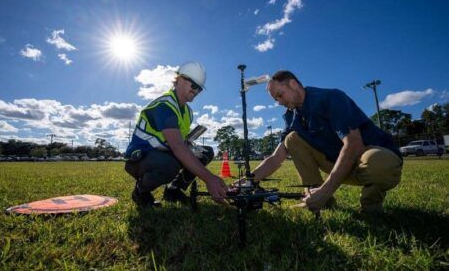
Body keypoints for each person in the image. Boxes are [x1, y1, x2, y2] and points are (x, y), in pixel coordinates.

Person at [250, 70, 403, 214]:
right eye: (276, 99)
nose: (279, 102)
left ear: (293, 84)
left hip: (368, 160)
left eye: (280, 95)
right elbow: (276, 158)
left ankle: (371, 208)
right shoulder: (292, 116)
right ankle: (318, 200)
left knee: (379, 162)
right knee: (292, 139)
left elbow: (354, 144)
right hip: (337, 163)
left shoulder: (331, 98)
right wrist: (246, 182)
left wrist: (326, 190)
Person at [124, 61, 228, 207]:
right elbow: (178, 147)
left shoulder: (187, 112)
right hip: (140, 158)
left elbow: (180, 142)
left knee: (205, 152)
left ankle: (174, 190)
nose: (196, 91)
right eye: (193, 85)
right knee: (170, 165)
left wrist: (189, 144)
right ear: (179, 80)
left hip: (162, 152)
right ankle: (140, 191)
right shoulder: (164, 106)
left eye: (199, 89)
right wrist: (209, 178)